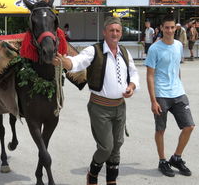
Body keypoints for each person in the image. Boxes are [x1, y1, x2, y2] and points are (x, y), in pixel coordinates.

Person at [53, 17, 139, 185]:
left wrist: (132, 86)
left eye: (118, 30)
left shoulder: (125, 52)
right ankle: (92, 174)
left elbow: (134, 73)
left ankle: (111, 181)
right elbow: (77, 62)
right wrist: (65, 62)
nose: (115, 33)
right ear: (104, 32)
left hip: (120, 107)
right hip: (100, 108)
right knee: (106, 147)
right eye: (111, 30)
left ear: (121, 33)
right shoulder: (94, 51)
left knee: (117, 145)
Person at [145, 15, 195, 178]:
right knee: (161, 129)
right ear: (161, 28)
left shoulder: (179, 45)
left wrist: (179, 83)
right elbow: (150, 76)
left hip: (178, 92)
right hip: (161, 95)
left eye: (172, 27)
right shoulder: (154, 49)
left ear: (176, 28)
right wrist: (153, 100)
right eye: (166, 27)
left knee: (189, 126)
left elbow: (176, 67)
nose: (170, 30)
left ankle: (176, 158)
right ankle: (162, 161)